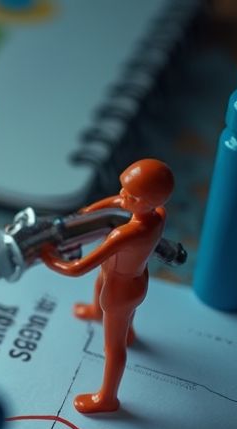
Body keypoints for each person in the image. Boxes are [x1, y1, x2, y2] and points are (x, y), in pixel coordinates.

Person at [39, 159, 173, 414]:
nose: (122, 195)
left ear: (148, 202)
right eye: (123, 187)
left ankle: (107, 398)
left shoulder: (123, 235)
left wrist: (48, 257)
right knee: (107, 294)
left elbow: (77, 267)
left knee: (113, 347)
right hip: (134, 279)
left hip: (118, 290)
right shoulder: (159, 214)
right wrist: (88, 211)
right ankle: (102, 316)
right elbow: (116, 201)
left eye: (131, 195)